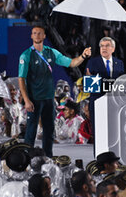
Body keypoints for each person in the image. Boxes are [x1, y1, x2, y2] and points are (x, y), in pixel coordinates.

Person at [19, 25, 91, 157]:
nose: (37, 35)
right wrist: (26, 100)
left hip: (48, 99)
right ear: (31, 36)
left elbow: (71, 63)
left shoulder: (52, 52)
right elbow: (21, 79)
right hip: (34, 99)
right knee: (31, 131)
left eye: (39, 33)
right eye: (34, 33)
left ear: (44, 36)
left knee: (49, 131)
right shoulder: (26, 55)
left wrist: (83, 56)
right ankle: (27, 158)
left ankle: (48, 158)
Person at [85, 37, 124, 142]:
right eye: (102, 46)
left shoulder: (119, 63)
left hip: (115, 104)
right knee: (98, 135)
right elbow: (90, 86)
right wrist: (110, 84)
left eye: (107, 45)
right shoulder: (92, 62)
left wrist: (100, 82)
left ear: (113, 49)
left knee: (114, 134)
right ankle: (98, 158)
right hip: (98, 103)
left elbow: (121, 83)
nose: (104, 48)